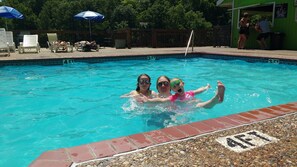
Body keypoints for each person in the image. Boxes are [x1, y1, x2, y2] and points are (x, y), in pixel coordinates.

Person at [143, 78, 225, 109]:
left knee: (198, 103)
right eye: (174, 87)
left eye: (178, 84)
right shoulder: (174, 98)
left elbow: (199, 90)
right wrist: (148, 100)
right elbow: (161, 100)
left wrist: (206, 87)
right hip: (184, 110)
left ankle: (217, 98)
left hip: (191, 105)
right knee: (198, 105)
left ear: (183, 83)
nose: (177, 87)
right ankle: (216, 98)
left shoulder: (190, 93)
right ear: (173, 90)